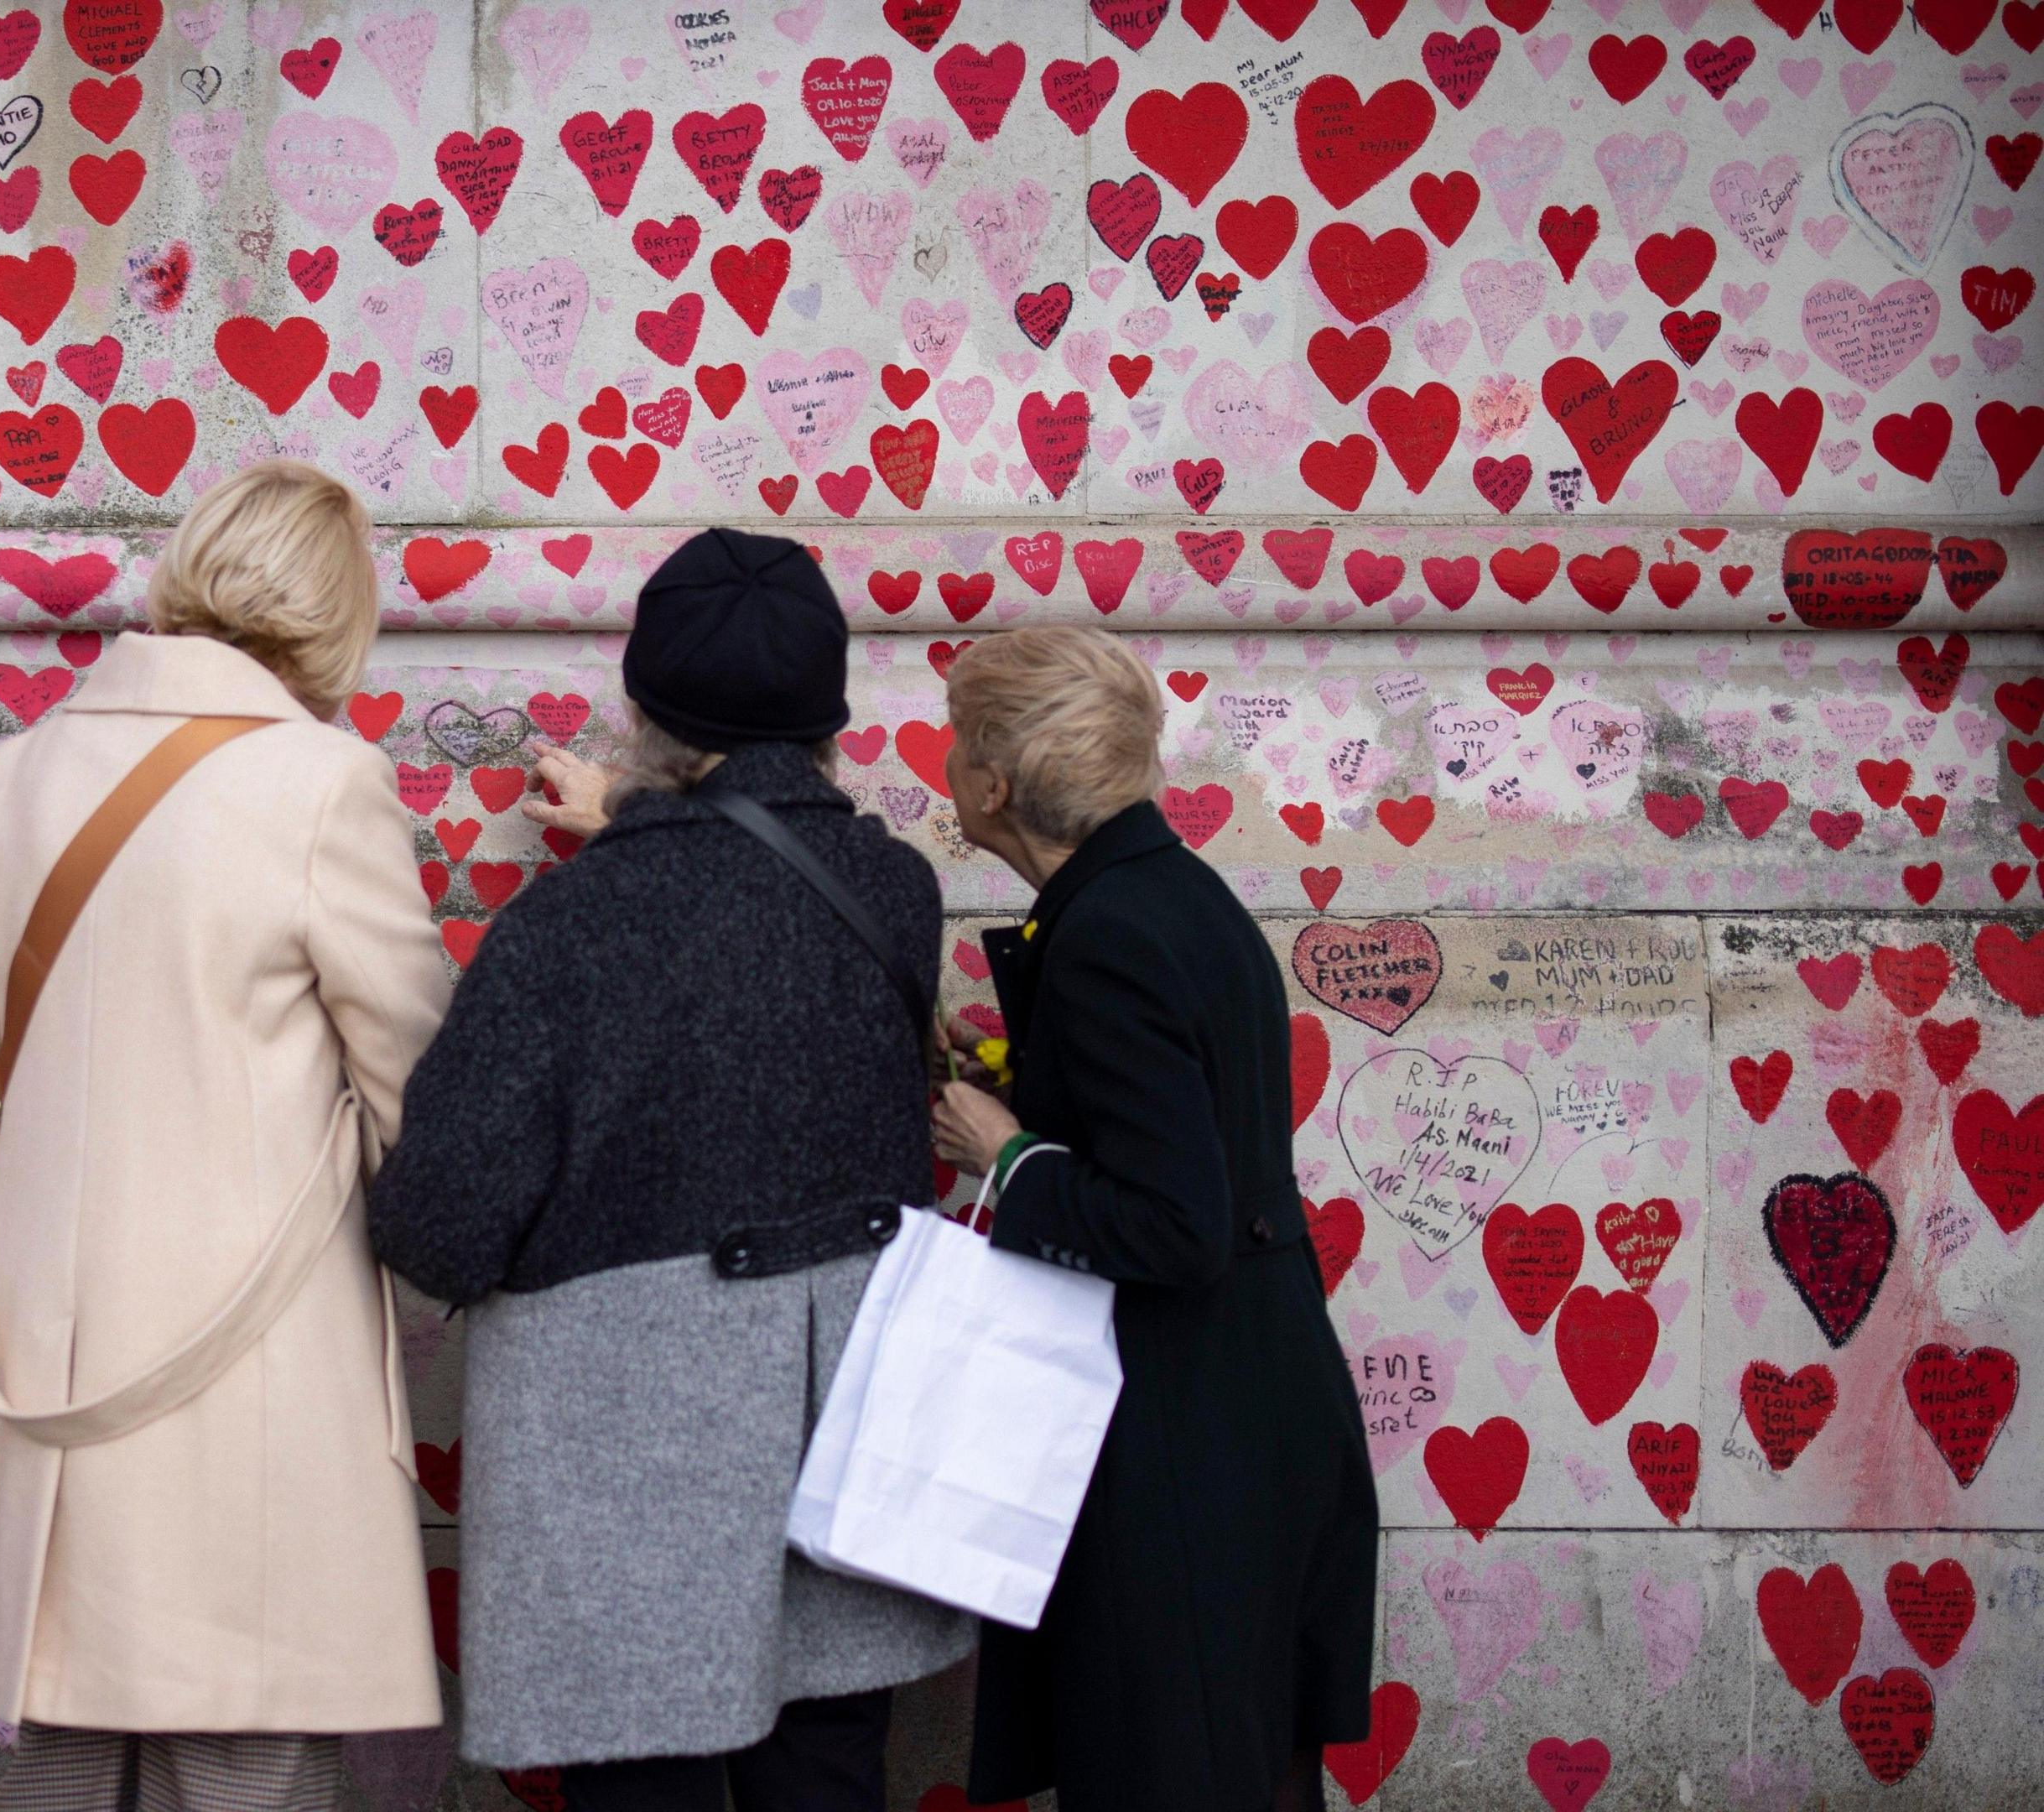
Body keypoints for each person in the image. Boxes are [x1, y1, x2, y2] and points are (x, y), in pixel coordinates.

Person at [367, 528, 977, 1812]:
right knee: (826, 1770)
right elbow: (754, 904)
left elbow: (441, 1225)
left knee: (643, 1785)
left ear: (643, 712)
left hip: (624, 1452)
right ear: (831, 719)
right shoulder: (893, 892)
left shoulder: (569, 926)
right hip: (837, 1420)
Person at [0, 461, 450, 1812]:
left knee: (53, 1753)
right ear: (339, 614)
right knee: (242, 1754)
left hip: (45, 1354)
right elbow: (421, 1095)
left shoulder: (15, 774)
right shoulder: (326, 785)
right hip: (250, 1361)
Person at [928, 626, 1378, 1812]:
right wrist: (1033, 1086)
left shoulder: (1109, 934)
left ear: (994, 785)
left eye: (955, 743)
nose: (942, 765)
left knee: (1166, 1766)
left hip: (1184, 1433)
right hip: (1254, 1401)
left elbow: (1176, 1220)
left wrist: (1007, 1154)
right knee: (1245, 1765)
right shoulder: (1177, 896)